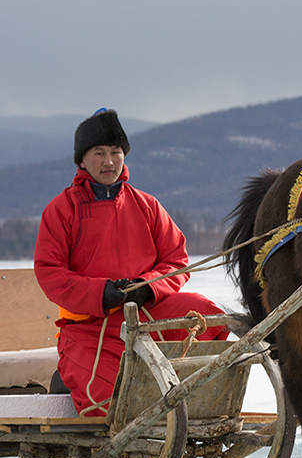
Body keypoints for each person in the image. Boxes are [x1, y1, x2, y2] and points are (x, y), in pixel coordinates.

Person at [34, 108, 228, 416]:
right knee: (109, 405)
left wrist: (149, 287)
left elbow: (176, 258)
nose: (109, 161)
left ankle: (198, 397)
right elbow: (50, 273)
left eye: (115, 152)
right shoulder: (61, 210)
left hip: (146, 315)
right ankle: (70, 376)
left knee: (204, 311)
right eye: (99, 153)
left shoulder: (146, 205)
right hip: (90, 326)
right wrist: (101, 293)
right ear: (83, 161)